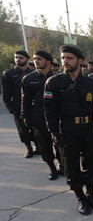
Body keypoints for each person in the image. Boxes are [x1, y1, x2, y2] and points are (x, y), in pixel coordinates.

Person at [44, 45, 93, 216]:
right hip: (68, 130)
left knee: (92, 164)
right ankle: (80, 197)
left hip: (89, 129)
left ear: (80, 61)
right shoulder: (54, 82)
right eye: (63, 58)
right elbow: (50, 110)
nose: (65, 61)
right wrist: (55, 133)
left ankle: (90, 194)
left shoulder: (92, 82)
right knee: (71, 167)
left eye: (69, 58)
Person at [21, 50, 62, 180]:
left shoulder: (58, 77)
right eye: (35, 59)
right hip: (38, 115)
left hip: (56, 115)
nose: (36, 61)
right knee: (44, 144)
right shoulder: (29, 79)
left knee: (60, 143)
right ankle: (52, 169)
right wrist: (26, 117)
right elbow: (25, 100)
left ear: (48, 61)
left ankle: (62, 166)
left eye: (39, 59)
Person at [2, 50, 37, 157]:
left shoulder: (33, 73)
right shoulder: (8, 74)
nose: (18, 59)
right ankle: (28, 148)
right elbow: (6, 93)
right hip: (18, 106)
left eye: (21, 57)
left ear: (27, 59)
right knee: (22, 129)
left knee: (36, 127)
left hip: (33, 106)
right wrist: (9, 107)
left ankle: (37, 146)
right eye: (16, 57)